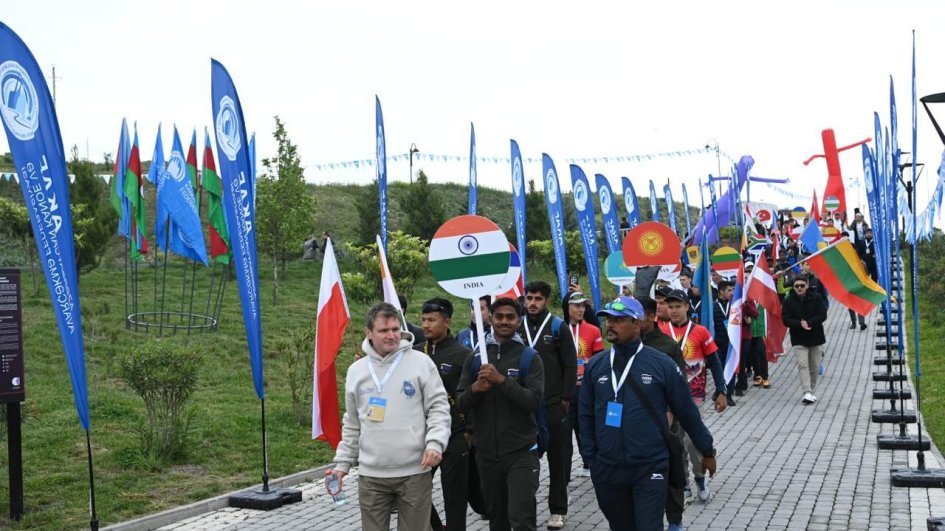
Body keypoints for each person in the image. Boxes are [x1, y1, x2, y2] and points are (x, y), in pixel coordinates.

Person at [579, 296, 717, 531]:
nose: (610, 325)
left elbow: (686, 410)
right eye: (608, 319)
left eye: (619, 320)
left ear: (636, 324)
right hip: (608, 467)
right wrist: (592, 458)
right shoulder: (596, 365)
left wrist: (706, 449)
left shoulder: (661, 364)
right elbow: (585, 415)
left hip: (650, 464)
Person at [330, 303, 452, 531]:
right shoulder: (357, 371)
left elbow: (438, 408)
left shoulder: (421, 363)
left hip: (414, 471)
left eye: (395, 329)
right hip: (371, 474)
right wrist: (343, 462)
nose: (391, 336)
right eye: (384, 331)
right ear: (368, 333)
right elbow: (352, 422)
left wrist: (435, 443)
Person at [457, 297, 545, 531]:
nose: (504, 322)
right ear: (491, 318)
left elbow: (534, 401)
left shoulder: (529, 357)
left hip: (521, 452)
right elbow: (460, 403)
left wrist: (502, 381)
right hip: (486, 454)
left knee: (522, 518)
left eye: (510, 317)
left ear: (519, 320)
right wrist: (475, 389)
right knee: (497, 520)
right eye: (499, 317)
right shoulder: (475, 357)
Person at [659, 289, 728, 505]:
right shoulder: (660, 331)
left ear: (687, 307)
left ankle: (700, 479)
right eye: (670, 307)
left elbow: (714, 363)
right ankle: (684, 483)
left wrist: (722, 390)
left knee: (691, 442)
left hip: (694, 397)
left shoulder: (700, 332)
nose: (674, 311)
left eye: (678, 306)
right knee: (675, 443)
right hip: (667, 399)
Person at [520, 281, 576, 530]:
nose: (532, 303)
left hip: (552, 404)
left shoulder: (557, 327)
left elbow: (570, 364)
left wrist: (565, 399)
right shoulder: (516, 326)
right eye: (529, 298)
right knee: (525, 461)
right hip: (522, 405)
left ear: (547, 301)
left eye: (538, 299)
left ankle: (557, 510)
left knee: (557, 459)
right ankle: (523, 510)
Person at [420, 298, 474, 531]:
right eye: (423, 320)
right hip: (424, 437)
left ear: (447, 321)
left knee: (455, 497)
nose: (426, 325)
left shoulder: (463, 355)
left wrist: (470, 431)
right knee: (417, 491)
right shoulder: (417, 354)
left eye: (432, 320)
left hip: (456, 436)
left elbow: (472, 396)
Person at [637, 296, 688, 531]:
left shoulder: (667, 346)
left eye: (635, 316)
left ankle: (675, 520)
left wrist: (669, 412)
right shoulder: (626, 344)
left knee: (671, 470)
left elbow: (679, 387)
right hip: (634, 424)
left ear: (650, 316)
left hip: (665, 422)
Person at [562, 291, 605, 478]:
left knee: (585, 428)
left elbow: (599, 361)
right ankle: (564, 474)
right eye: (576, 306)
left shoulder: (593, 330)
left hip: (586, 389)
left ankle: (590, 463)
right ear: (567, 308)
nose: (581, 309)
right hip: (564, 390)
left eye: (583, 306)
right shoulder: (558, 328)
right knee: (564, 432)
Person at [781, 276, 828, 405]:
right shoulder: (788, 301)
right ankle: (806, 391)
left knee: (814, 366)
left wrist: (810, 323)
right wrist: (799, 324)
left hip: (815, 336)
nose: (799, 288)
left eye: (802, 285)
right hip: (798, 337)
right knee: (803, 365)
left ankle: (811, 391)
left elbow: (822, 314)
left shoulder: (816, 298)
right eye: (797, 286)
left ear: (807, 286)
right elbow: (785, 319)